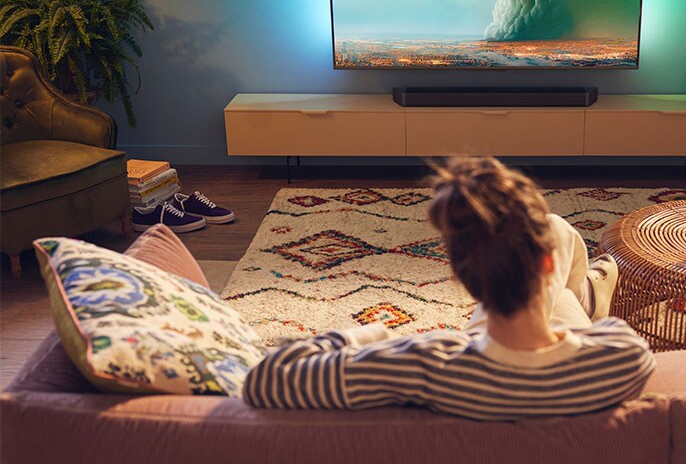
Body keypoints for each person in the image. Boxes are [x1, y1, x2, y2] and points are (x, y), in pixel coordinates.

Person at [243, 157, 655, 421]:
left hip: (482, 344)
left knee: (555, 248)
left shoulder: (424, 362)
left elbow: (265, 378)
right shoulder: (622, 355)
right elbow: (597, 346)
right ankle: (584, 295)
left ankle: (579, 294)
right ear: (543, 266)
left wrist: (372, 334)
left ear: (460, 277)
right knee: (557, 233)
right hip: (560, 334)